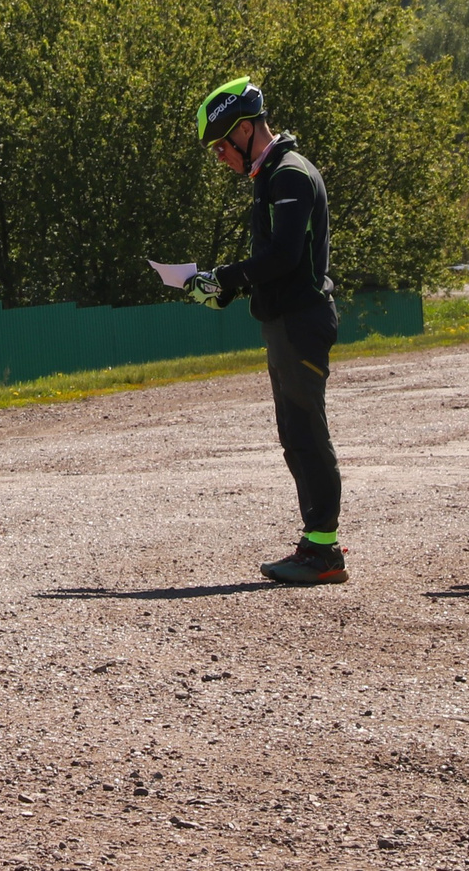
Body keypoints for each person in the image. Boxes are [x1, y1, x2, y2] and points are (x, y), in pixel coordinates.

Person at [187, 77, 346, 586]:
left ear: (244, 130)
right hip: (286, 319)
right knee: (294, 435)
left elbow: (283, 257)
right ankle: (317, 543)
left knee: (306, 433)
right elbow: (274, 262)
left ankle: (323, 552)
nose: (220, 157)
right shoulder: (273, 175)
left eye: (220, 146)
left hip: (301, 320)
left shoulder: (290, 175)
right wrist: (225, 288)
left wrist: (228, 278)